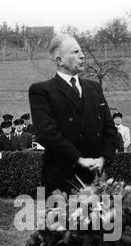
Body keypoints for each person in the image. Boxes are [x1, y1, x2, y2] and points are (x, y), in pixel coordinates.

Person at [29, 33, 117, 195]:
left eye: (81, 51)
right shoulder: (42, 91)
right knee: (61, 220)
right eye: (75, 52)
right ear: (59, 60)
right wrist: (79, 159)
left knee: (100, 221)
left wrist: (103, 159)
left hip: (96, 178)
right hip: (60, 180)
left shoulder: (94, 88)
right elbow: (46, 133)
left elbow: (110, 130)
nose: (82, 56)